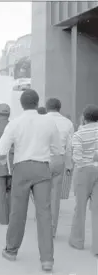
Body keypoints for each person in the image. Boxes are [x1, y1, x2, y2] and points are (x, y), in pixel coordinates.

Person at [0, 88, 61, 272]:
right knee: (44, 214)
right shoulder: (49, 122)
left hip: (21, 169)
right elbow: (57, 149)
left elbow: (1, 150)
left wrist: (1, 160)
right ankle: (47, 260)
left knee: (18, 212)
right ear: (38, 102)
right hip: (42, 168)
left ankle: (11, 251)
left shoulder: (15, 123)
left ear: (21, 104)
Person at [69, 104, 98, 256]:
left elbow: (77, 157)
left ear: (84, 118)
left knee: (80, 207)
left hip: (83, 171)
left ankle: (77, 241)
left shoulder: (79, 134)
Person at [44, 98, 74, 237]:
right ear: (59, 108)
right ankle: (52, 230)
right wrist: (69, 165)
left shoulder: (41, 120)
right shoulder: (68, 123)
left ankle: (42, 225)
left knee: (41, 194)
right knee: (55, 197)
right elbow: (69, 147)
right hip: (59, 160)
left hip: (42, 160)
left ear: (46, 107)